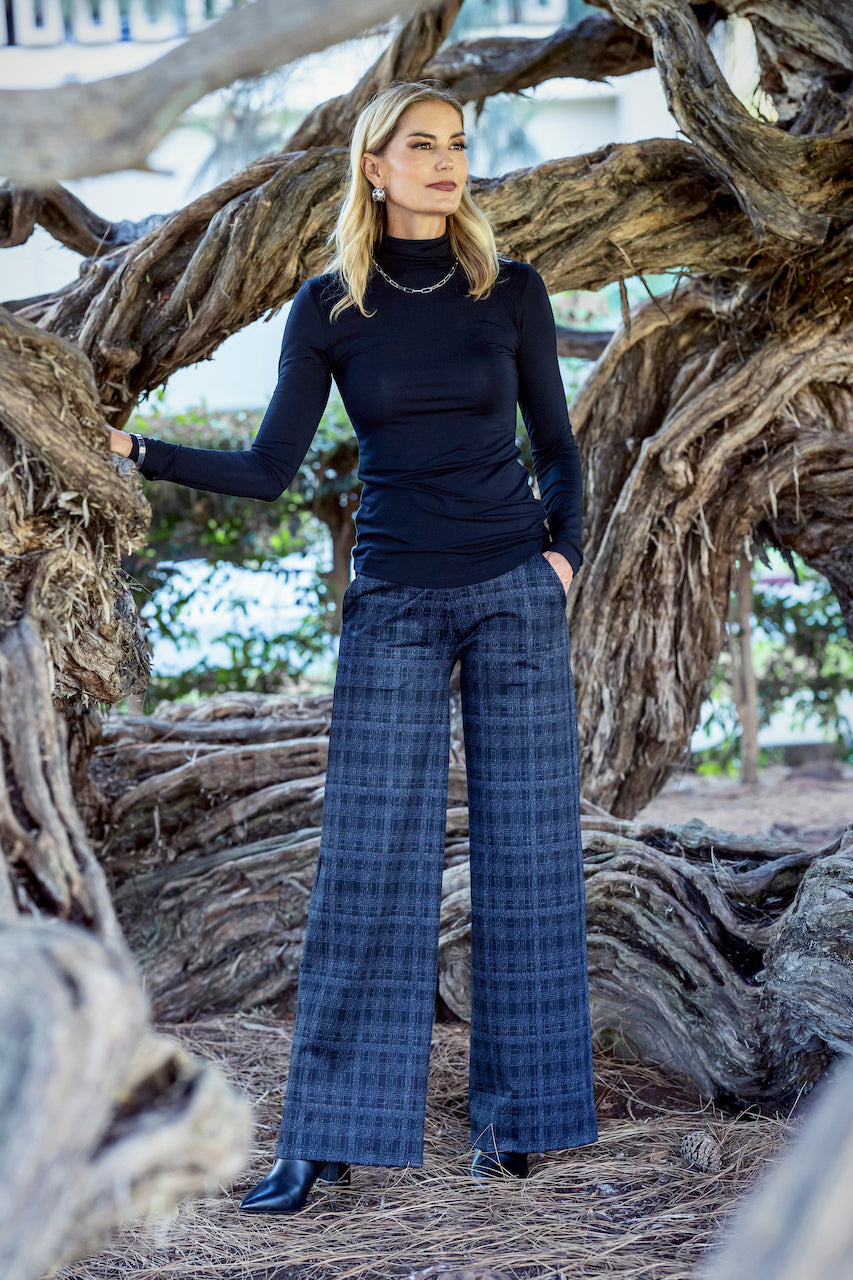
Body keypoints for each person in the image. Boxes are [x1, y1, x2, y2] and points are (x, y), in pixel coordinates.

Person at [110, 78, 599, 1213]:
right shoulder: (331, 305)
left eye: (456, 145)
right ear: (374, 165)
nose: (445, 162)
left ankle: (518, 1124)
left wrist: (561, 557)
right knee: (367, 867)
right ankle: (324, 1137)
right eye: (419, 145)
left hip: (513, 592)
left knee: (528, 858)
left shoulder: (509, 290)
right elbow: (273, 469)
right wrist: (140, 450)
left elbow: (559, 445)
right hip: (393, 598)